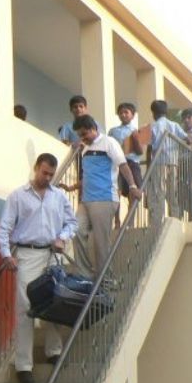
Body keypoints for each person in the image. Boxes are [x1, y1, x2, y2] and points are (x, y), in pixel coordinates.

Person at [0, 153, 78, 383]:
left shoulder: (59, 196)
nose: (48, 177)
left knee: (55, 302)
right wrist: (6, 255)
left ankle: (54, 352)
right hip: (27, 254)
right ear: (35, 168)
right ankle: (24, 366)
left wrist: (63, 238)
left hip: (52, 254)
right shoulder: (17, 196)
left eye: (51, 174)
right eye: (45, 173)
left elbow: (72, 223)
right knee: (25, 307)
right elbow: (3, 229)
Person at [68, 115, 141, 278]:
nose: (83, 138)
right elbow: (89, 175)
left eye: (84, 134)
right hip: (86, 200)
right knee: (76, 230)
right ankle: (85, 274)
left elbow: (123, 165)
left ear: (94, 129)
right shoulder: (85, 149)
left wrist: (133, 186)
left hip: (104, 198)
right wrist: (71, 186)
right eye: (80, 135)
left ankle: (105, 280)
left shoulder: (109, 142)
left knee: (101, 244)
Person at [146, 100, 188, 218]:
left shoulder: (153, 126)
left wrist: (149, 167)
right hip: (173, 162)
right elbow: (186, 139)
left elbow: (149, 148)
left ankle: (158, 219)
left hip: (159, 163)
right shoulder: (174, 125)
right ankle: (175, 217)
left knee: (158, 191)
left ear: (154, 113)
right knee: (172, 192)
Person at [107, 102, 143, 206]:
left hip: (132, 163)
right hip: (117, 163)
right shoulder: (113, 131)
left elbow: (140, 152)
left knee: (134, 189)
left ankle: (130, 219)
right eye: (121, 113)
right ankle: (117, 220)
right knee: (116, 189)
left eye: (126, 112)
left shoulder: (136, 131)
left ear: (133, 115)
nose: (123, 115)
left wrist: (135, 139)